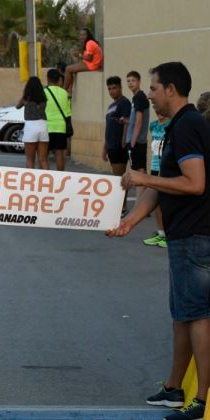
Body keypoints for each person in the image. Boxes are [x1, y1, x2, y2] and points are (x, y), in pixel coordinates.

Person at [107, 62, 210, 420]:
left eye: (152, 87)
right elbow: (163, 185)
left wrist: (140, 179)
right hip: (184, 237)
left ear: (170, 89)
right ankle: (174, 388)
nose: (148, 94)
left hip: (196, 237)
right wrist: (129, 221)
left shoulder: (188, 127)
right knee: (183, 315)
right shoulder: (178, 126)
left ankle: (200, 401)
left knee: (197, 316)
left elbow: (194, 183)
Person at [102, 76, 131, 215]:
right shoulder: (111, 106)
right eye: (109, 89)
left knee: (119, 178)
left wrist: (124, 140)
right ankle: (120, 206)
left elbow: (127, 121)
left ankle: (123, 207)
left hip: (119, 146)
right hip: (111, 146)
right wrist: (104, 147)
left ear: (120, 88)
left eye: (114, 88)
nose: (112, 91)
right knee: (116, 178)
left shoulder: (124, 102)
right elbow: (108, 127)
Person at [142, 112, 170, 248]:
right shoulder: (153, 125)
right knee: (157, 201)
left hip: (166, 168)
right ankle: (161, 232)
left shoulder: (171, 124)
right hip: (154, 165)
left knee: (167, 201)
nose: (159, 113)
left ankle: (169, 234)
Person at [125, 70, 151, 202]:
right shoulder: (136, 98)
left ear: (139, 82)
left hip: (138, 141)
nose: (130, 83)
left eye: (133, 80)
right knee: (140, 171)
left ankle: (141, 203)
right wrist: (126, 121)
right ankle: (142, 202)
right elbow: (135, 120)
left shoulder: (140, 97)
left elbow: (139, 122)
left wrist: (132, 143)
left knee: (139, 172)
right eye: (128, 81)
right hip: (137, 140)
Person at [16, 76, 49, 169]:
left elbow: (17, 106)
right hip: (43, 126)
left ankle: (31, 182)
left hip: (31, 126)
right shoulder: (44, 99)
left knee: (30, 160)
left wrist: (24, 96)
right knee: (43, 159)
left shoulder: (26, 98)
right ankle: (47, 181)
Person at [44, 69, 71, 171]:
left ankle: (46, 178)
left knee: (44, 156)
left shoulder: (44, 92)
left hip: (47, 127)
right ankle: (59, 177)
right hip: (61, 128)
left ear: (48, 79)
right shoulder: (65, 93)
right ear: (58, 79)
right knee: (59, 155)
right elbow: (68, 113)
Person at [64, 28, 103, 96]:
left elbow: (89, 58)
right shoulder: (89, 43)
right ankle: (70, 91)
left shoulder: (89, 43)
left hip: (92, 66)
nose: (82, 36)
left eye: (84, 35)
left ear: (88, 35)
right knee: (72, 69)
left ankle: (63, 91)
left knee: (68, 69)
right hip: (91, 64)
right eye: (80, 35)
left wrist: (79, 55)